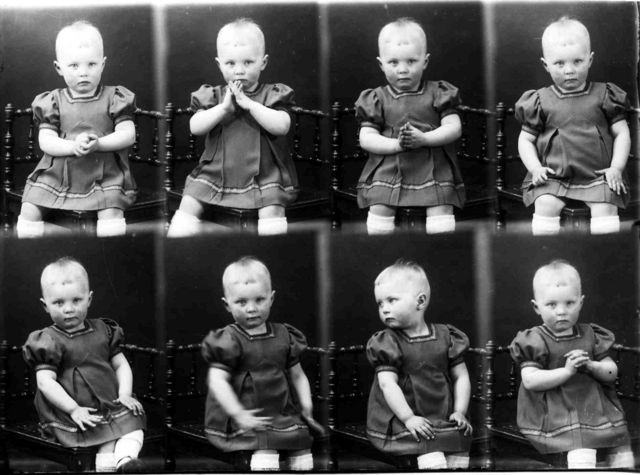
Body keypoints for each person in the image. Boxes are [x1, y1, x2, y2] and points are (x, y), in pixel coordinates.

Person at [168, 18, 298, 237]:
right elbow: (195, 127)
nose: (239, 71)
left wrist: (250, 104)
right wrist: (223, 109)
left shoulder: (272, 93)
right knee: (189, 202)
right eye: (230, 63)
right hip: (216, 173)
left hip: (265, 174)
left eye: (248, 62)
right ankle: (177, 244)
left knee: (272, 207)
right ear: (219, 64)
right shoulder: (215, 95)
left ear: (263, 62)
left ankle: (271, 248)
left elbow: (282, 126)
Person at [22, 257, 145, 472]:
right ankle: (112, 465)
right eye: (59, 303)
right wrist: (74, 409)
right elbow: (45, 383)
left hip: (108, 403)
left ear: (89, 299)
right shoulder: (48, 339)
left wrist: (125, 393)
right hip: (71, 410)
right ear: (45, 305)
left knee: (134, 423)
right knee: (105, 434)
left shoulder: (104, 330)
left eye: (76, 300)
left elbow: (121, 365)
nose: (69, 309)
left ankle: (125, 461)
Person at [17, 21, 138, 238]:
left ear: (102, 64)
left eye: (91, 64)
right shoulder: (53, 101)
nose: (83, 72)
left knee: (111, 212)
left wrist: (99, 144)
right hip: (58, 174)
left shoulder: (115, 97)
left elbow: (128, 135)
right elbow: (46, 141)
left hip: (104, 175)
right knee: (29, 209)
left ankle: (109, 252)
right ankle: (38, 247)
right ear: (59, 68)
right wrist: (73, 146)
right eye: (74, 66)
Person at [510, 259, 633, 468]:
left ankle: (622, 467)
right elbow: (530, 380)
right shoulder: (534, 339)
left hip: (593, 407)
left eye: (569, 303)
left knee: (621, 446)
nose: (561, 311)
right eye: (552, 304)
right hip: (551, 411)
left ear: (581, 302)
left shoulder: (591, 334)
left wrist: (592, 366)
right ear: (536, 307)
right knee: (581, 448)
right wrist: (567, 371)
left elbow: (612, 373)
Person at [515, 17, 631, 235]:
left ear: (590, 59)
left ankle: (604, 248)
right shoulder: (540, 100)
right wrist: (535, 168)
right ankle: (546, 246)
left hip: (598, 176)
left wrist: (616, 167)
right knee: (545, 203)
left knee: (606, 206)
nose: (569, 70)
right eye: (559, 63)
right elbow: (525, 140)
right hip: (555, 177)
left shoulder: (605, 95)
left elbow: (622, 133)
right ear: (546, 65)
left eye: (577, 61)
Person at [201, 256, 317, 471]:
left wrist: (306, 403)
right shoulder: (229, 338)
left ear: (271, 299)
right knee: (266, 453)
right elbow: (217, 381)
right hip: (245, 412)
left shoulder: (284, 334)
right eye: (241, 302)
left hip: (280, 411)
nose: (251, 308)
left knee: (302, 450)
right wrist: (238, 413)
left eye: (259, 300)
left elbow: (298, 375)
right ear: (227, 305)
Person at [355, 18, 465, 235]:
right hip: (389, 167)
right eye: (393, 62)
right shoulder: (377, 98)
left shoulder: (438, 92)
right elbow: (366, 137)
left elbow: (454, 127)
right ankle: (380, 245)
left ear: (425, 61)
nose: (403, 69)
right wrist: (396, 145)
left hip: (433, 166)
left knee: (441, 207)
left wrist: (424, 139)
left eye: (411, 61)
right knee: (379, 206)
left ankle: (440, 246)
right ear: (381, 64)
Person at [366, 259, 472, 469]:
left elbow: (461, 376)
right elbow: (388, 384)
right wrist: (408, 418)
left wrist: (460, 410)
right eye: (380, 303)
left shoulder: (447, 336)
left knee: (460, 446)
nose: (384, 309)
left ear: (420, 301)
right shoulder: (387, 342)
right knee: (429, 449)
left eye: (391, 300)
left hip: (441, 412)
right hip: (401, 415)